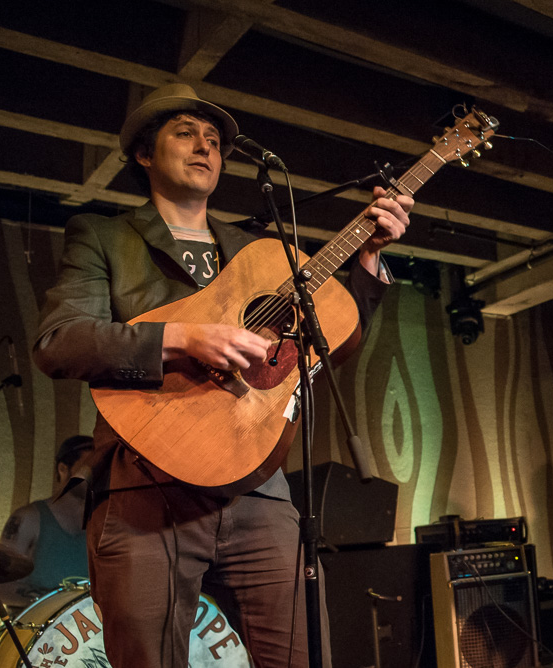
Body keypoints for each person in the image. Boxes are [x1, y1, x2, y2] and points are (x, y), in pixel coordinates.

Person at [32, 83, 412, 667]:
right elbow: (60, 343)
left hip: (258, 486)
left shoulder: (262, 251)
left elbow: (323, 340)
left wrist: (366, 260)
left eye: (214, 139)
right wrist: (183, 336)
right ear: (143, 154)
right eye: (185, 133)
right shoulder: (104, 237)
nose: (205, 146)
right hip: (144, 484)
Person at [0, 435, 92, 612]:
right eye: (88, 468)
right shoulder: (29, 518)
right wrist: (62, 605)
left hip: (89, 633)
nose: (97, 476)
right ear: (63, 469)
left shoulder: (105, 524)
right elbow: (1, 589)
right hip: (35, 633)